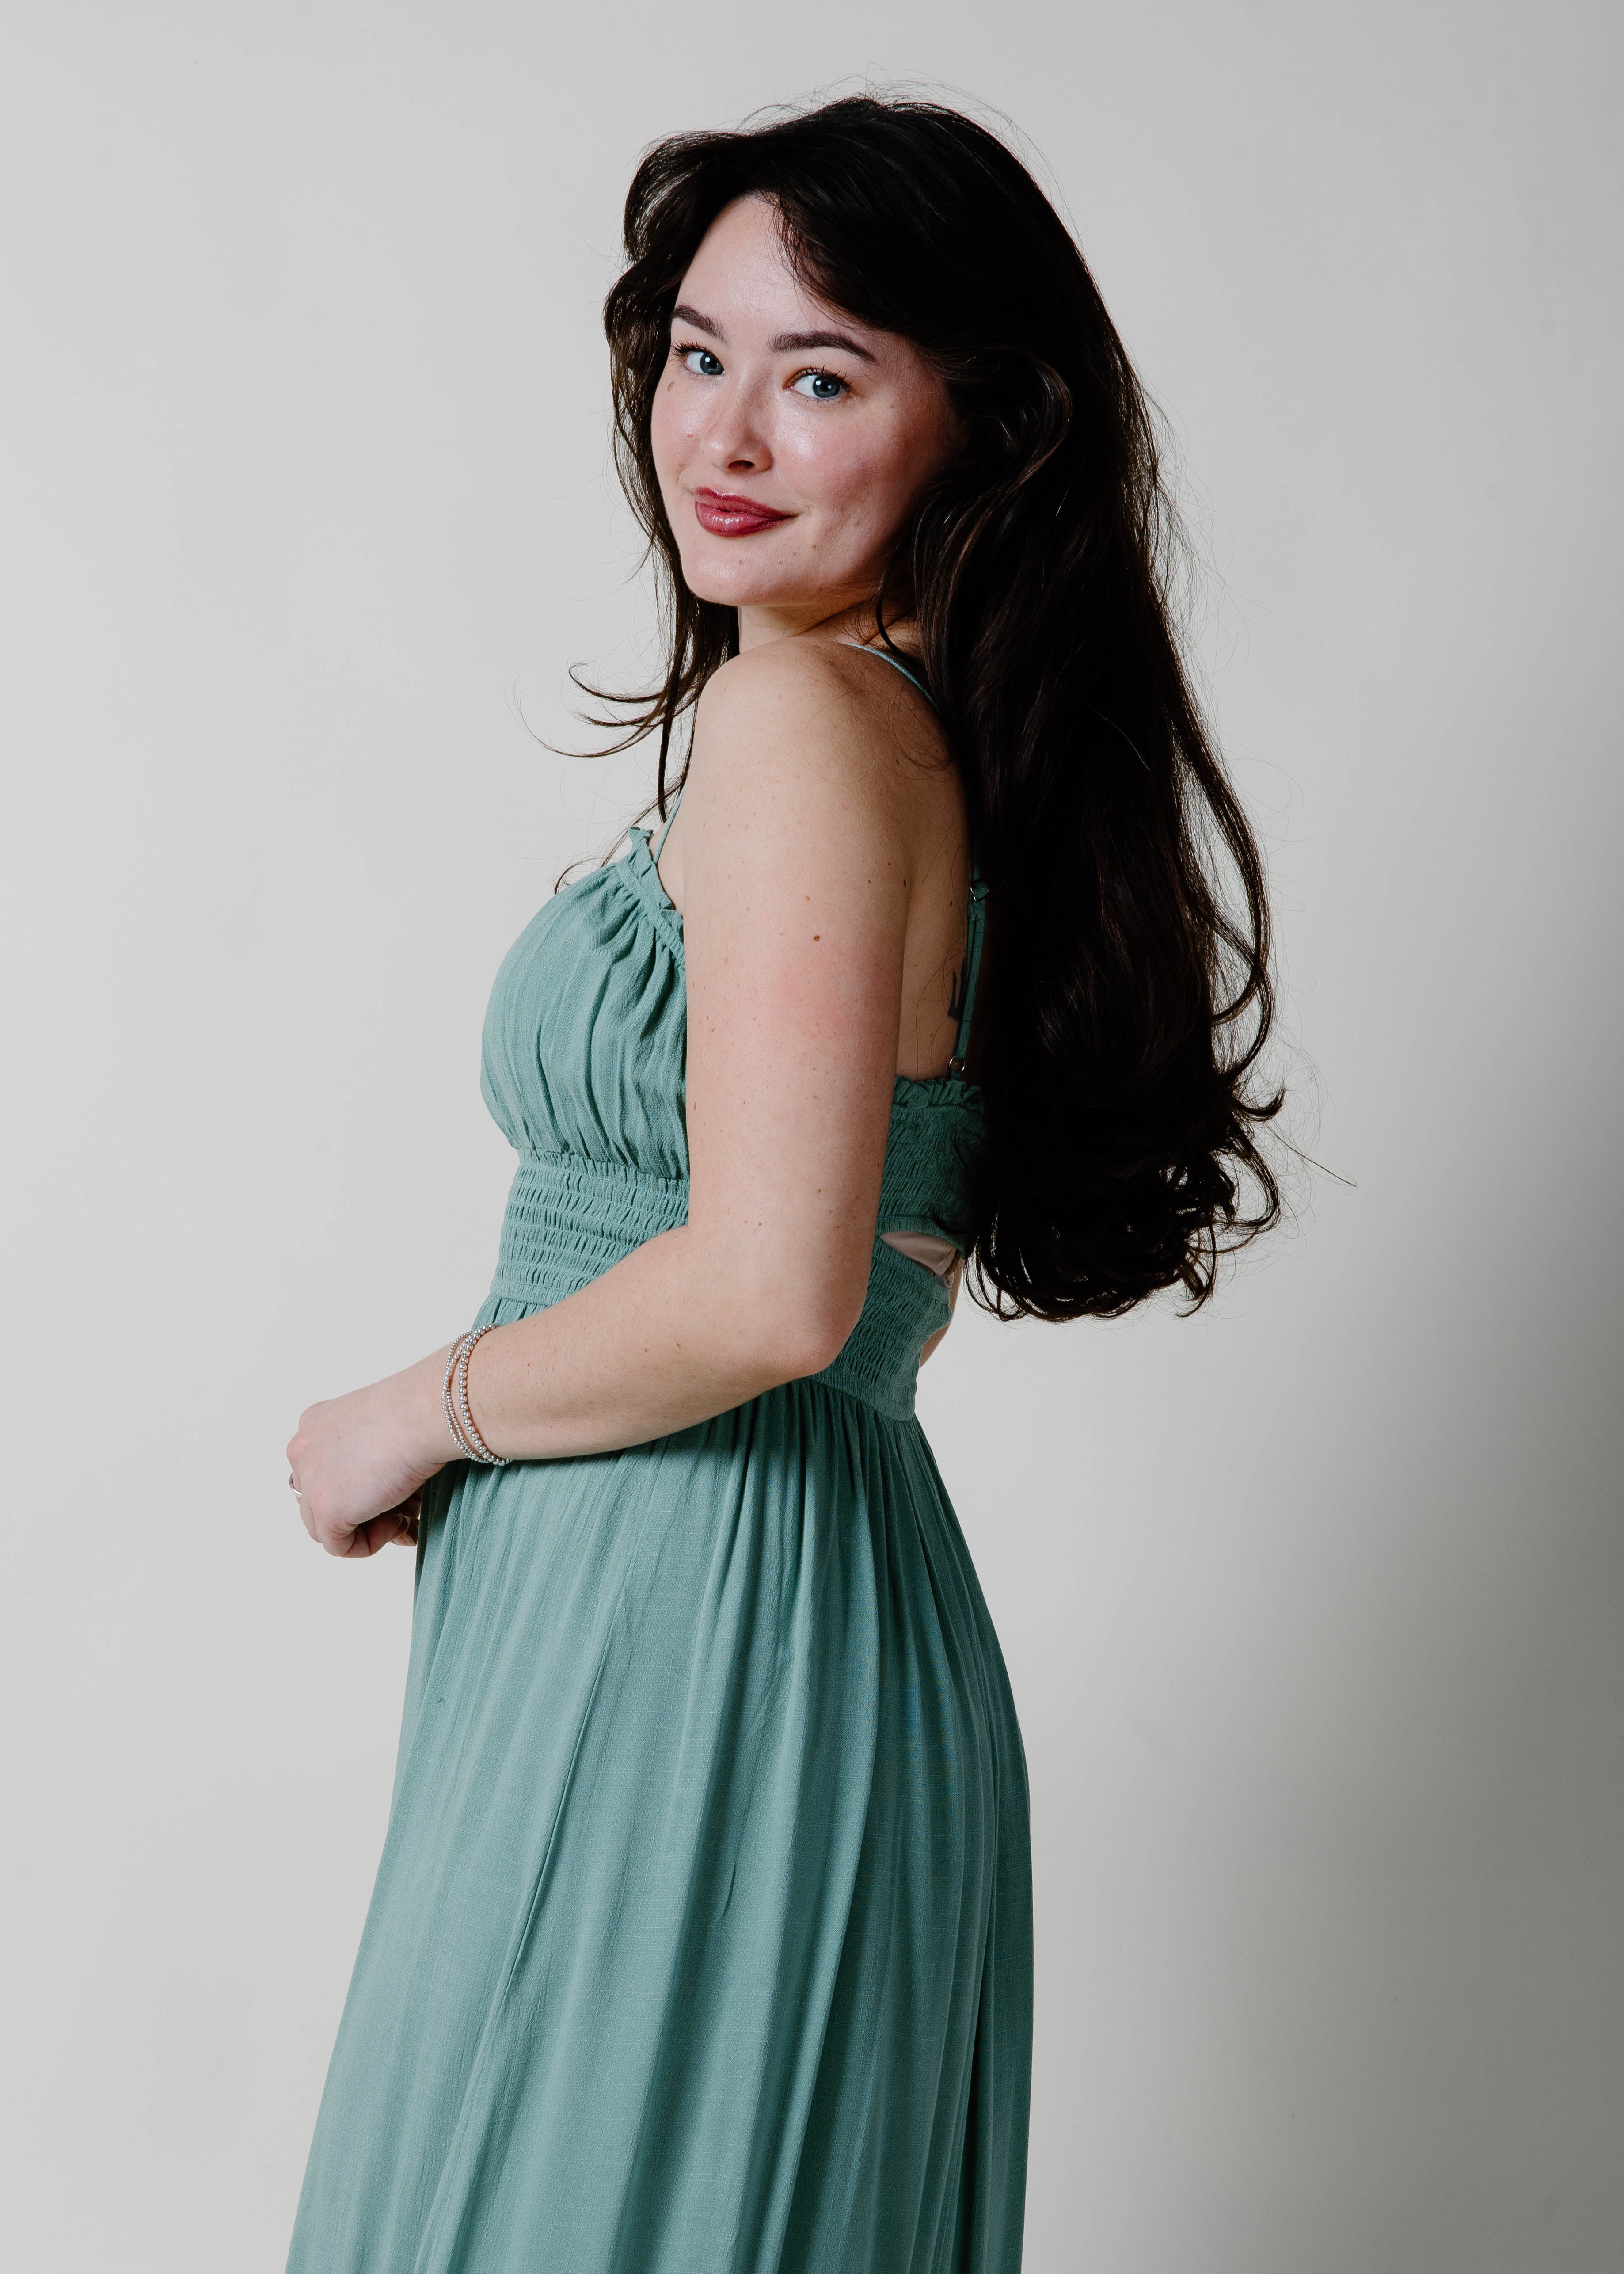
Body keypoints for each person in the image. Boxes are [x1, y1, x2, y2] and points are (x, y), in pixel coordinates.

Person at [283, 94, 1279, 2274]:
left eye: (819, 377)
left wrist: (404, 1415)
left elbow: (765, 1291)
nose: (721, 433)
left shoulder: (807, 726)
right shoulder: (916, 736)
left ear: (983, 425)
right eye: (696, 352)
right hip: (749, 1597)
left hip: (691, 1604)